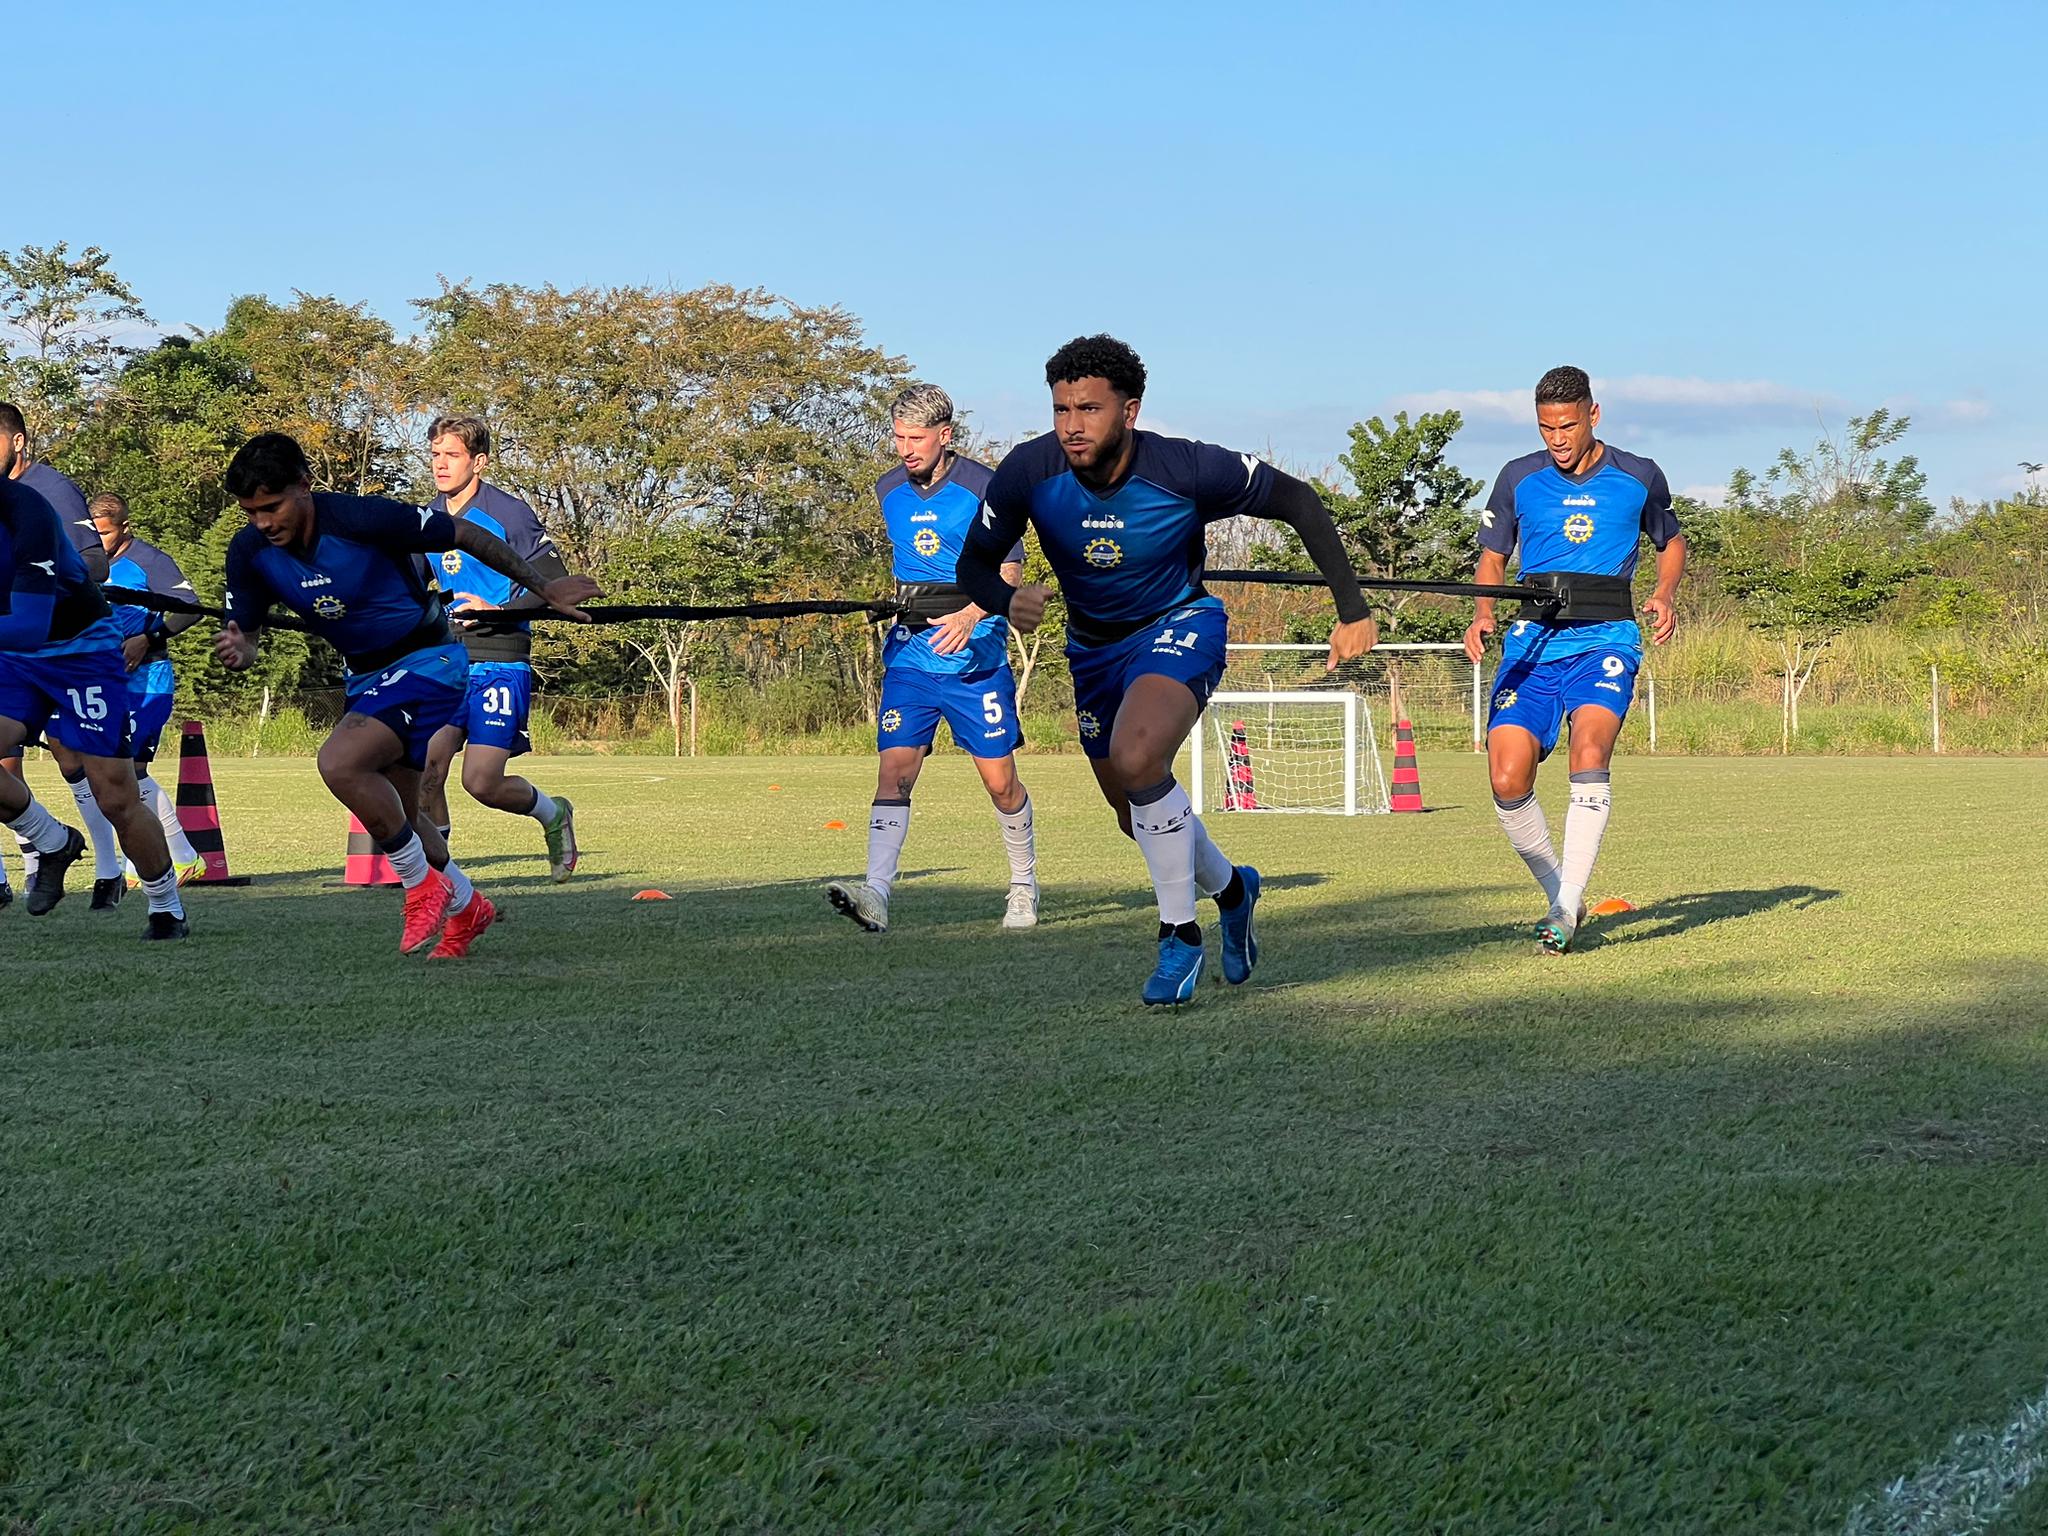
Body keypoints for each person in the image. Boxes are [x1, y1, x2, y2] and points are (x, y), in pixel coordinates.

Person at [957, 335, 1377, 1005]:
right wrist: (1008, 599)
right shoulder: (1028, 471)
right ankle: (1235, 891)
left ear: (1130, 411)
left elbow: (1298, 500)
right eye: (1062, 409)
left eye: (1089, 409)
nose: (1072, 426)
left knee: (1137, 755)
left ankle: (1178, 937)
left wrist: (1351, 608)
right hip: (1093, 651)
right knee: (1135, 812)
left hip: (1178, 626)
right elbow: (972, 563)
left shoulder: (1186, 468)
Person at [214, 433, 601, 959]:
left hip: (429, 662)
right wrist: (243, 646)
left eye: (272, 506)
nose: (263, 522)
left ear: (304, 485)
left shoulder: (361, 519)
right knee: (409, 813)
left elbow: (463, 533)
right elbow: (251, 632)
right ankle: (468, 909)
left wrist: (544, 589)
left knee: (340, 763)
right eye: (251, 511)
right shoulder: (250, 551)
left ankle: (421, 886)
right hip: (366, 678)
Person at [1461, 365, 1686, 954]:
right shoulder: (1517, 479)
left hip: (1605, 640)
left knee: (1590, 752)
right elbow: (1492, 557)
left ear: (1593, 415)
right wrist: (1484, 612)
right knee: (1507, 778)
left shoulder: (1639, 476)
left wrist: (1663, 594)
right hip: (1532, 644)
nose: (1556, 439)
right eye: (1545, 428)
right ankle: (1566, 892)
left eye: (1566, 425)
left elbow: (1672, 541)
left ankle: (1562, 910)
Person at [825, 383, 1039, 934]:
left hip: (975, 660)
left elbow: (1009, 570)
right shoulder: (887, 489)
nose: (904, 448)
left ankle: (1022, 885)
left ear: (945, 435)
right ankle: (876, 893)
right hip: (911, 659)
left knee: (1000, 784)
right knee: (894, 774)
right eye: (897, 437)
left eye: (915, 438)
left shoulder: (985, 488)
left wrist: (970, 614)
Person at [0, 473, 189, 936]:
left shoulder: (27, 508)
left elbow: (27, 622)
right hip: (15, 658)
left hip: (80, 653)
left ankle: (165, 906)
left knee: (116, 795)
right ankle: (54, 841)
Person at [415, 416, 579, 881]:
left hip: (502, 659)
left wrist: (497, 610)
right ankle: (441, 875)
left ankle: (553, 814)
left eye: (452, 455)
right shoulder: (427, 521)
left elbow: (555, 583)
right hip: (448, 660)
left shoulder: (509, 514)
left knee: (481, 782)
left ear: (479, 461)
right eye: (435, 455)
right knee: (427, 764)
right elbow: (406, 587)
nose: (441, 465)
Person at [0, 402, 124, 906]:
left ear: (17, 441)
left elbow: (95, 564)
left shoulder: (46, 492)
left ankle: (111, 871)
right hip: (16, 648)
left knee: (88, 768)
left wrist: (48, 572)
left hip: (73, 649)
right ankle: (45, 850)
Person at [93, 492, 209, 886]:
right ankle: (152, 860)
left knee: (132, 770)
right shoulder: (86, 564)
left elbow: (190, 607)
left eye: (106, 533)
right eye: (93, 533)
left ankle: (179, 857)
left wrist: (148, 636)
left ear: (126, 528)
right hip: (106, 683)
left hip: (149, 682)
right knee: (114, 774)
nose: (99, 541)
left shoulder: (150, 561)